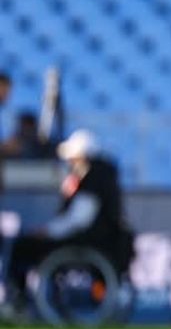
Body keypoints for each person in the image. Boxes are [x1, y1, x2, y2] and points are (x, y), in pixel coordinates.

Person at [1, 130, 134, 317]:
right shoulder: (100, 177)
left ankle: (18, 300)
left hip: (86, 241)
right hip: (97, 239)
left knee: (22, 247)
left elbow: (78, 220)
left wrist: (47, 232)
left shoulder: (92, 180)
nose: (69, 163)